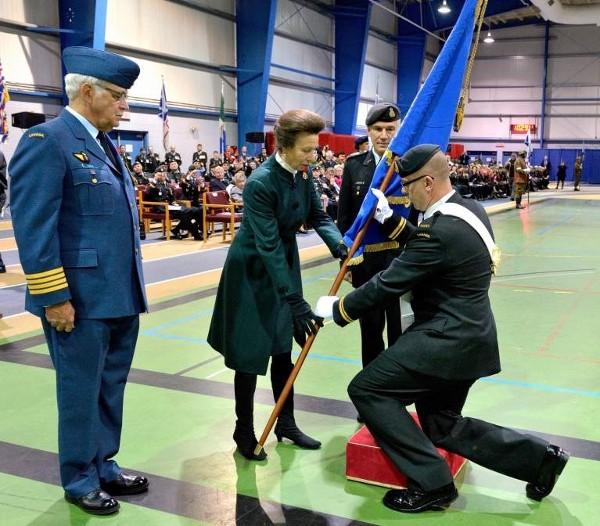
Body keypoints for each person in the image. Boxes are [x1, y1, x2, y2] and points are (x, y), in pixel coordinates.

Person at [315, 144, 569, 514]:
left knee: (367, 389)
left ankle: (433, 484)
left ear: (429, 183)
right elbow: (426, 248)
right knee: (441, 425)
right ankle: (540, 460)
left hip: (443, 339)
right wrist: (389, 220)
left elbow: (391, 281)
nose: (405, 193)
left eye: (409, 185)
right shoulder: (468, 210)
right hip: (471, 337)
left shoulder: (438, 231)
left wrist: (338, 309)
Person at [8, 46, 149, 516]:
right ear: (87, 91)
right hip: (79, 301)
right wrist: (54, 298)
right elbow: (35, 229)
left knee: (111, 386)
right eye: (118, 96)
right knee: (79, 389)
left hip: (119, 293)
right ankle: (79, 477)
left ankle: (104, 464)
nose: (124, 106)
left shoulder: (107, 144)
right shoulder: (47, 141)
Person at [207, 109, 347, 461]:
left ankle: (286, 422)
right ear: (283, 146)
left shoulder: (304, 174)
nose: (313, 157)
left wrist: (338, 244)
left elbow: (317, 215)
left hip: (283, 261)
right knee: (251, 351)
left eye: (315, 150)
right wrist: (295, 299)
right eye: (306, 150)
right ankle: (244, 430)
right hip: (253, 268)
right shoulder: (260, 183)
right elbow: (267, 245)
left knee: (283, 347)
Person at [337, 103, 411, 376]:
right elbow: (344, 218)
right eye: (378, 129)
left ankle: (396, 390)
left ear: (398, 129)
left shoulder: (407, 165)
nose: (384, 135)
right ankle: (372, 393)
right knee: (370, 331)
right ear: (368, 131)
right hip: (365, 264)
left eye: (390, 129)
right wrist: (344, 261)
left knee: (398, 330)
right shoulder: (355, 166)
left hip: (399, 262)